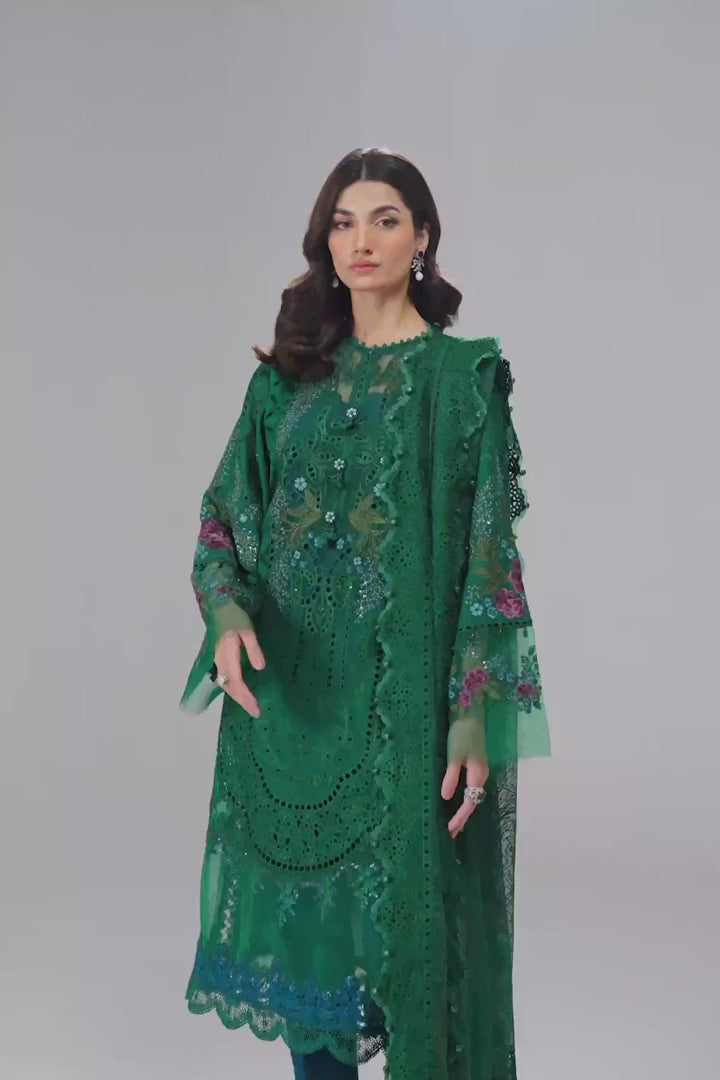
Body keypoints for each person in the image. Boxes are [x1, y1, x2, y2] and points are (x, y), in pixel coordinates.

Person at [179, 147, 551, 1080]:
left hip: (405, 719)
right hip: (292, 720)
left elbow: (491, 562)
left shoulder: (461, 379)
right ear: (325, 242)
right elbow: (224, 521)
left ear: (422, 237)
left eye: (385, 219)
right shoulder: (282, 384)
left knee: (414, 962)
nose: (362, 240)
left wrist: (474, 710)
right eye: (343, 222)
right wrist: (225, 617)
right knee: (312, 981)